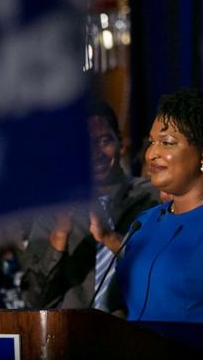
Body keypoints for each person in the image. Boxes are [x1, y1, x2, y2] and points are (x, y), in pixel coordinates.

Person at [114, 89, 203, 344]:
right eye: (151, 142)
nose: (152, 154)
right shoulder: (145, 222)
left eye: (167, 143)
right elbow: (130, 307)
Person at [21, 103, 158, 310]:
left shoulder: (153, 197)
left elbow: (164, 276)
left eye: (104, 141)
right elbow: (33, 301)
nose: (95, 153)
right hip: (71, 336)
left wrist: (110, 238)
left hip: (135, 330)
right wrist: (58, 237)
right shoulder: (51, 212)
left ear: (119, 142)